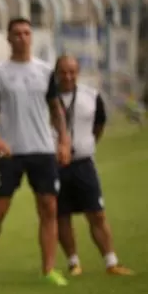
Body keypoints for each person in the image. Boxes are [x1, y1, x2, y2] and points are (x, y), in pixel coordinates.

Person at [0, 18, 72, 286]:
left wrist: (63, 141)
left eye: (27, 33)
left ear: (32, 37)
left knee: (49, 208)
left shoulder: (44, 71)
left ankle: (49, 268)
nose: (22, 37)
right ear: (8, 38)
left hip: (42, 149)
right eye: (17, 33)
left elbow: (56, 110)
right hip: (10, 152)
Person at [52, 55, 134, 276]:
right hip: (56, 165)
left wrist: (85, 145)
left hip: (83, 164)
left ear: (77, 72)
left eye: (72, 72)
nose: (67, 76)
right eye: (63, 72)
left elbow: (99, 126)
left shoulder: (91, 96)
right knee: (61, 215)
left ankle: (111, 262)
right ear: (56, 73)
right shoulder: (47, 98)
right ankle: (73, 263)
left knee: (96, 213)